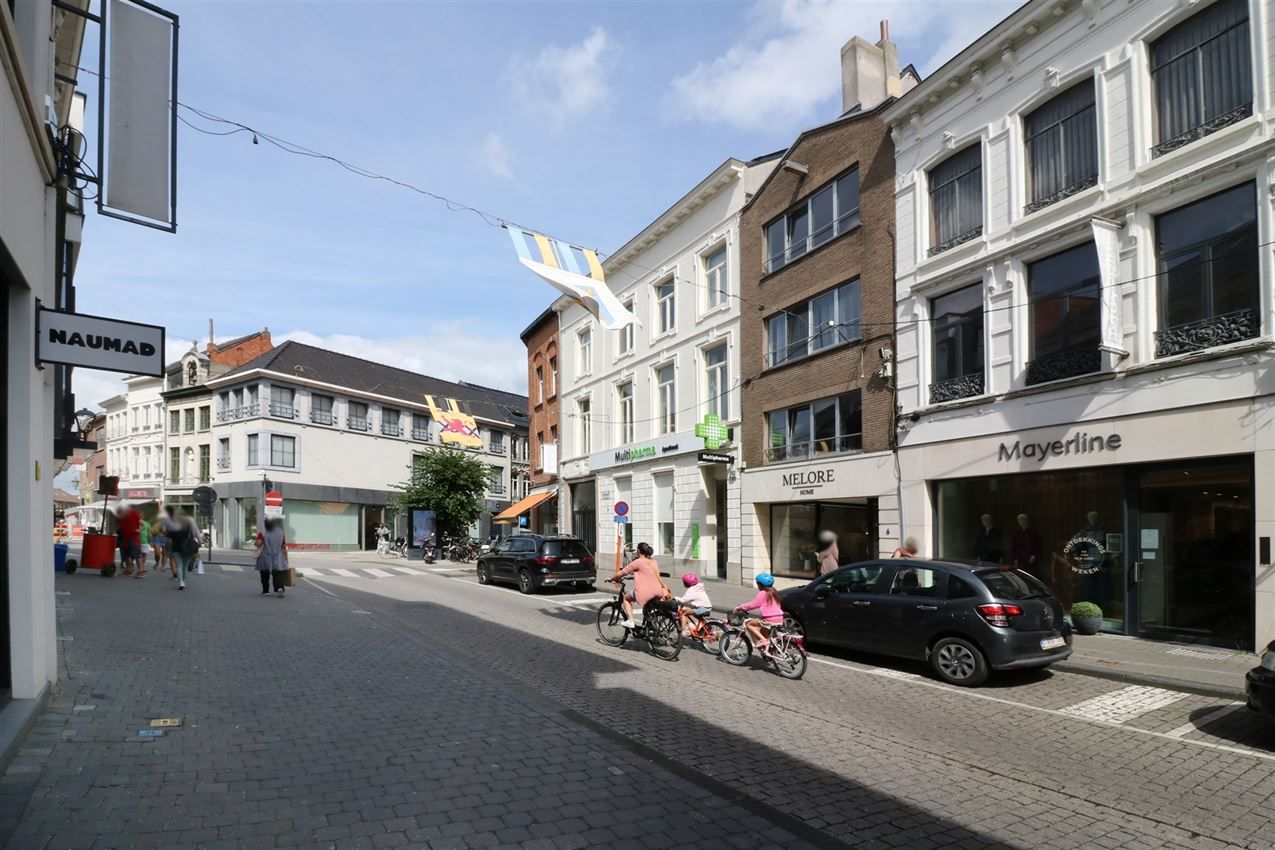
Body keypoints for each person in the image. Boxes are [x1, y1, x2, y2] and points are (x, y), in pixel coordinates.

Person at [610, 542, 670, 628]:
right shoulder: (654, 562)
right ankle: (650, 627)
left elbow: (623, 572)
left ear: (638, 550)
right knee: (646, 609)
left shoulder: (638, 562)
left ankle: (630, 621)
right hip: (658, 591)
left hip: (646, 592)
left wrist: (612, 578)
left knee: (626, 598)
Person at [735, 573, 785, 651]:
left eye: (757, 584)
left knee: (748, 624)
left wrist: (741, 607)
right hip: (780, 618)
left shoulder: (763, 593)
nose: (757, 586)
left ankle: (764, 641)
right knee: (763, 631)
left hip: (769, 619)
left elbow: (753, 605)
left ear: (760, 585)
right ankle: (768, 651)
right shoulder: (774, 592)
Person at [255, 517, 290, 596]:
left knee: (264, 572)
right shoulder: (281, 533)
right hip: (277, 555)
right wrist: (286, 558)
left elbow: (258, 543)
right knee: (278, 572)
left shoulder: (263, 532)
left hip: (265, 555)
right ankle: (279, 588)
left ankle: (266, 590)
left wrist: (257, 541)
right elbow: (284, 546)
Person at [167, 509, 201, 591]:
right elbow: (196, 534)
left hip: (176, 549)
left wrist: (169, 549)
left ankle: (181, 582)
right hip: (187, 548)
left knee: (179, 566)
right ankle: (183, 580)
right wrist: (199, 543)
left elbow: (169, 540)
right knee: (185, 567)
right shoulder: (189, 526)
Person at [675, 572, 712, 637]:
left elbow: (683, 600)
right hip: (708, 607)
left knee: (684, 613)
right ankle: (705, 626)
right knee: (695, 613)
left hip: (701, 608)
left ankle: (684, 631)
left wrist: (676, 598)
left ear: (686, 583)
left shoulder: (691, 590)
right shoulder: (699, 587)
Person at [116, 505, 142, 577]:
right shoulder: (121, 516)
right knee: (127, 555)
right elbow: (120, 525)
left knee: (136, 554)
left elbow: (142, 524)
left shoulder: (134, 514)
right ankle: (129, 570)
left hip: (134, 537)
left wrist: (139, 530)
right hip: (125, 538)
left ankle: (140, 571)